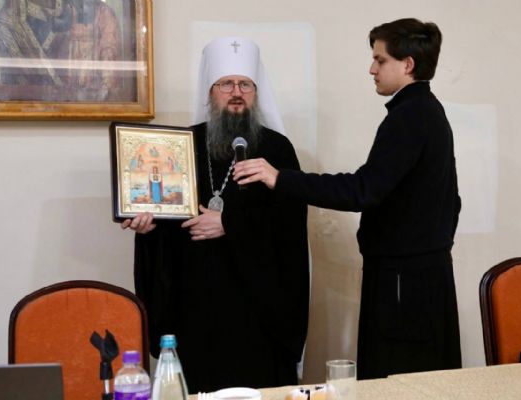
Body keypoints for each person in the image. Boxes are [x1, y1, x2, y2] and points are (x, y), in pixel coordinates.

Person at [234, 18, 462, 379]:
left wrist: (280, 178)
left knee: (397, 382)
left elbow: (362, 190)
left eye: (380, 60)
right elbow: (453, 201)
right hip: (419, 275)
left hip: (403, 281)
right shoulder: (427, 111)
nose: (372, 69)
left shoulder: (410, 116)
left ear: (408, 65)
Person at [122, 36, 309, 393]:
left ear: (256, 93)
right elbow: (164, 215)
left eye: (245, 85)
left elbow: (290, 222)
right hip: (195, 307)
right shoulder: (181, 145)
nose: (236, 93)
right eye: (226, 84)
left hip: (257, 310)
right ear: (210, 93)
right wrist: (147, 226)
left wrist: (229, 224)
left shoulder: (277, 148)